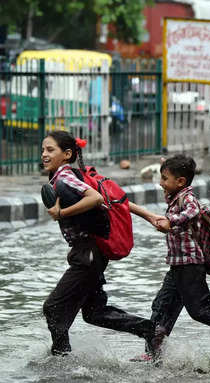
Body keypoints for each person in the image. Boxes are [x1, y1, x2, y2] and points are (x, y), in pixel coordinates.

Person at [41, 131, 157, 356]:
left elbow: (97, 198)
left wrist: (61, 212)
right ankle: (149, 330)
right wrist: (148, 215)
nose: (44, 154)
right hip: (90, 253)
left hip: (88, 256)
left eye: (50, 150)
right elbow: (116, 200)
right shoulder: (70, 174)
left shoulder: (65, 178)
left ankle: (61, 359)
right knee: (94, 313)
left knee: (53, 308)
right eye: (43, 150)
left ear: (66, 154)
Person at [133, 154, 210, 360]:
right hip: (178, 265)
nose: (160, 182)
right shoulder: (176, 196)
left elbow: (193, 212)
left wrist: (170, 221)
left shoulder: (187, 198)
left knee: (200, 311)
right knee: (162, 306)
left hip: (191, 265)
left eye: (165, 178)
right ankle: (153, 352)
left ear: (181, 181)